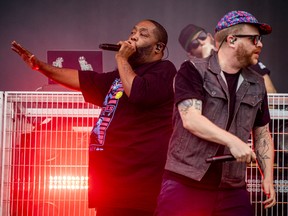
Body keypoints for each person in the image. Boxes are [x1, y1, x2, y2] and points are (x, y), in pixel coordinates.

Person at [11, 19, 177, 216]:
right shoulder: (119, 77)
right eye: (133, 32)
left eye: (143, 34)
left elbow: (139, 93)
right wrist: (40, 66)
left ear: (159, 47)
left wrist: (122, 59)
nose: (133, 37)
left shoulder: (164, 71)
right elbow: (83, 80)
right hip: (110, 185)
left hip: (137, 188)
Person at [155, 11, 276, 216]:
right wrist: (233, 141)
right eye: (255, 39)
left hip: (233, 188)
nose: (260, 45)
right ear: (232, 40)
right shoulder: (192, 70)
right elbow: (191, 118)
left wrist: (268, 177)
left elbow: (263, 133)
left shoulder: (257, 83)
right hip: (186, 182)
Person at [178, 23, 277, 93]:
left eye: (202, 36)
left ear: (210, 36)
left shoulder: (242, 58)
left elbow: (271, 93)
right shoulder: (188, 71)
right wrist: (207, 57)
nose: (201, 42)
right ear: (190, 54)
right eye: (195, 44)